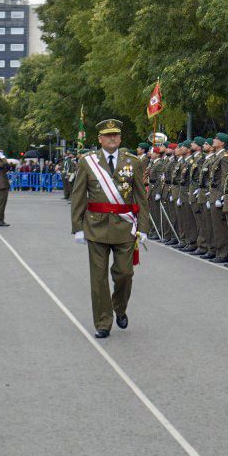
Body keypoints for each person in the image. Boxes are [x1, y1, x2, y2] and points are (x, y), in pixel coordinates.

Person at [70, 119, 151, 338]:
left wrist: (143, 227)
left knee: (124, 274)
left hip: (125, 227)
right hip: (96, 226)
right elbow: (78, 195)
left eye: (115, 134)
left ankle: (119, 307)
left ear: (120, 138)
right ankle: (103, 322)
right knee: (98, 279)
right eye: (108, 135)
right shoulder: (88, 162)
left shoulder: (133, 162)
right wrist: (77, 227)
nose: (112, 138)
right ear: (100, 139)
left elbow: (141, 198)